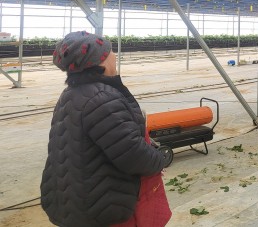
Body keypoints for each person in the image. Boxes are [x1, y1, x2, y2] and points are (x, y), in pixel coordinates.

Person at [41, 31, 170, 227]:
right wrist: (159, 159)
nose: (114, 55)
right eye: (110, 52)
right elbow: (132, 155)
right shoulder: (101, 98)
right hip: (103, 207)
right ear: (99, 61)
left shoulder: (70, 94)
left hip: (80, 197)